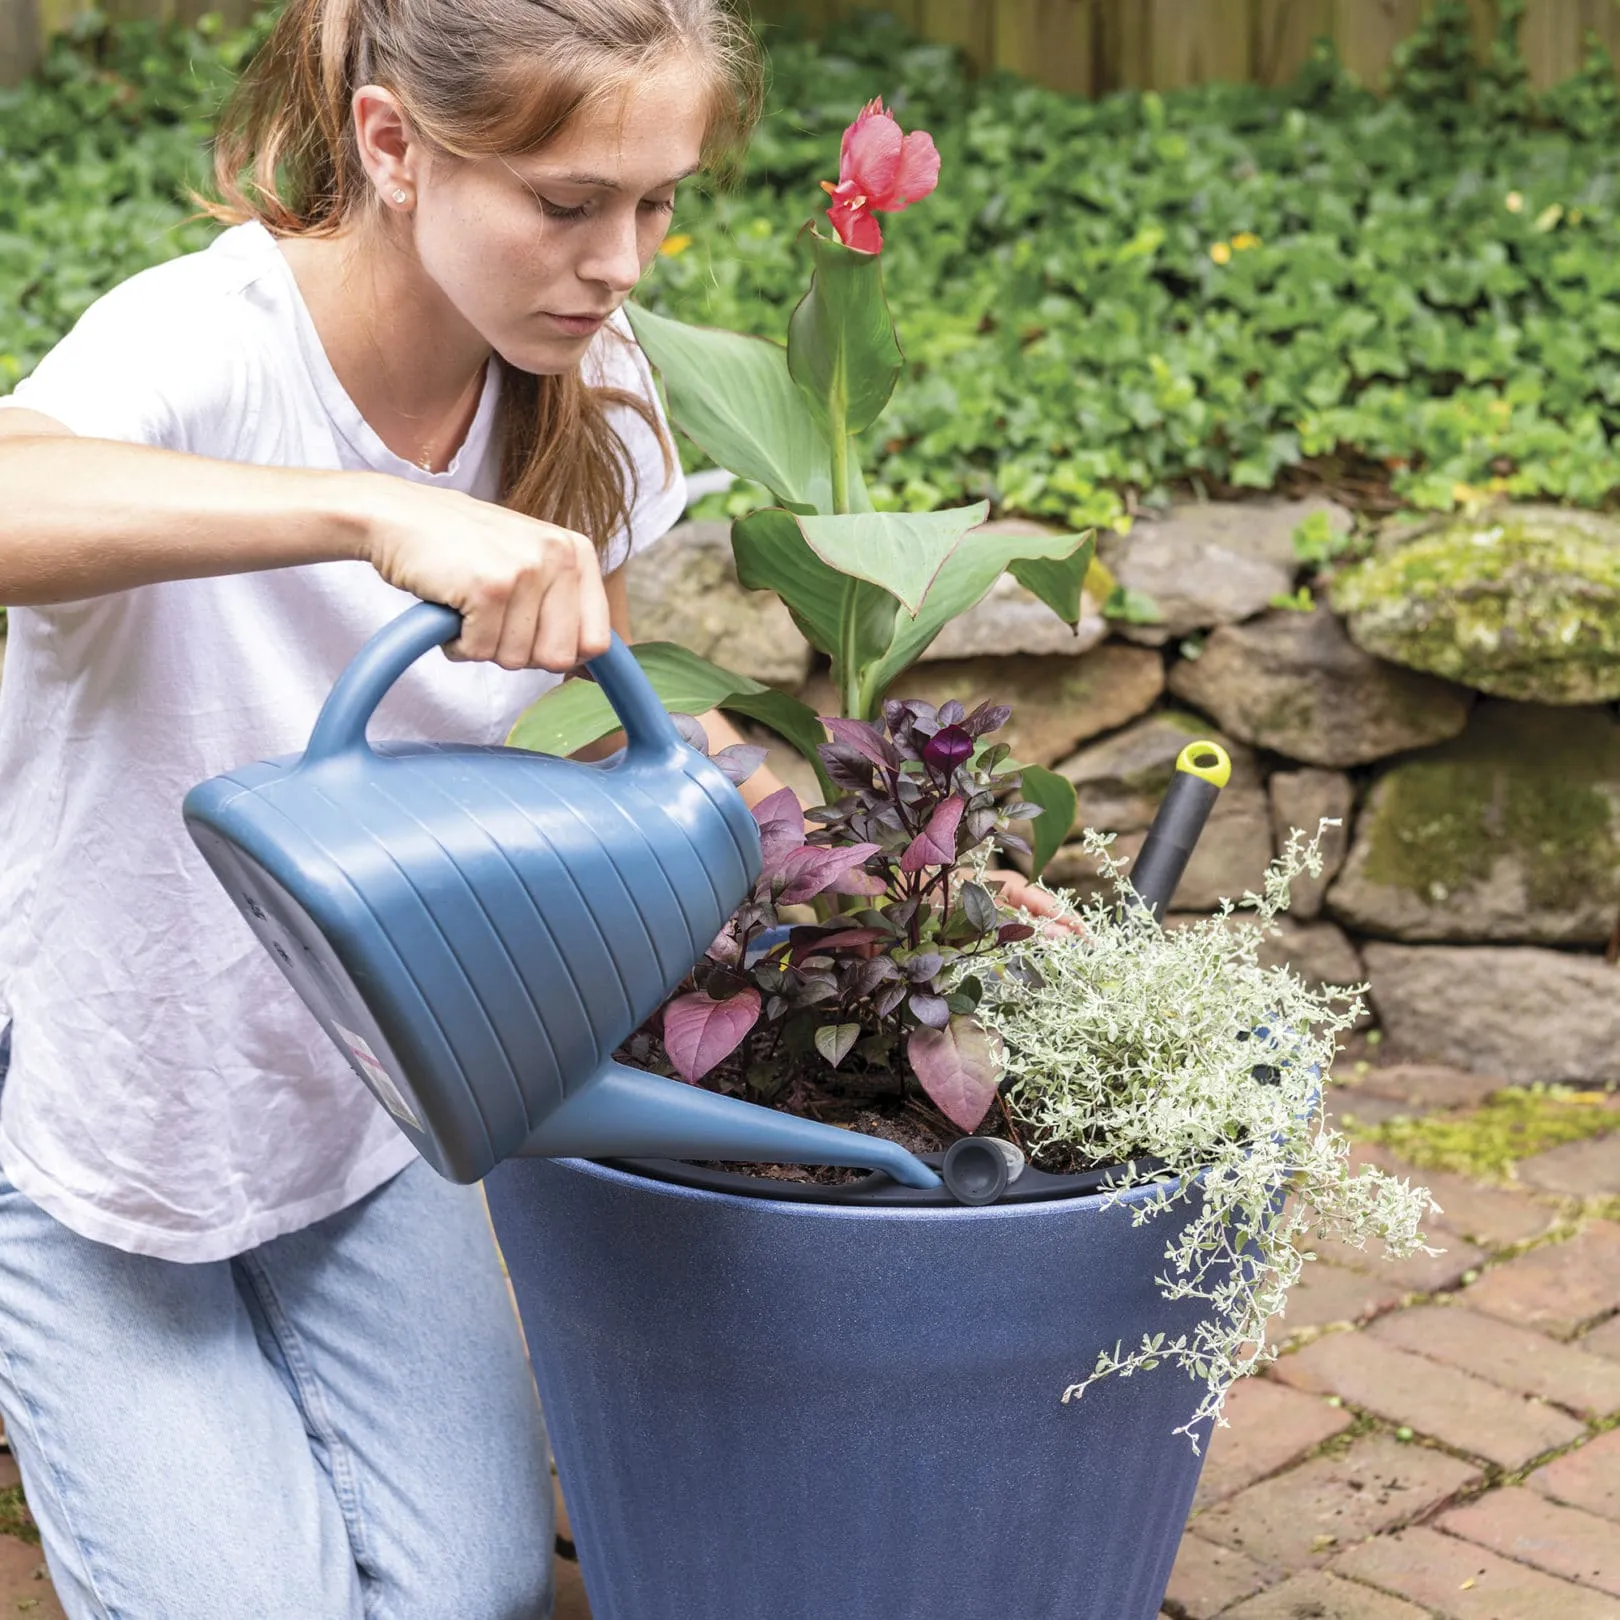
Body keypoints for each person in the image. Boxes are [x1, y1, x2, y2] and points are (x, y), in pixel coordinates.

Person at [0, 0, 1069, 1612]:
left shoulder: (595, 394)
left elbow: (597, 742)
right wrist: (371, 516)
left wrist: (889, 891)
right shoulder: (207, 343)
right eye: (568, 206)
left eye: (657, 203)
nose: (622, 261)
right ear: (393, 149)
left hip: (372, 1100)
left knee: (475, 1593)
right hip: (101, 1107)